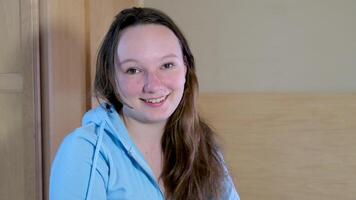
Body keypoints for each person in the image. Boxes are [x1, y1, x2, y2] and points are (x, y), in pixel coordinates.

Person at [50, 7, 240, 200]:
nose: (153, 85)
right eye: (133, 70)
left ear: (186, 67)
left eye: (167, 65)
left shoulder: (205, 147)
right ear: (111, 77)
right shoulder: (84, 150)